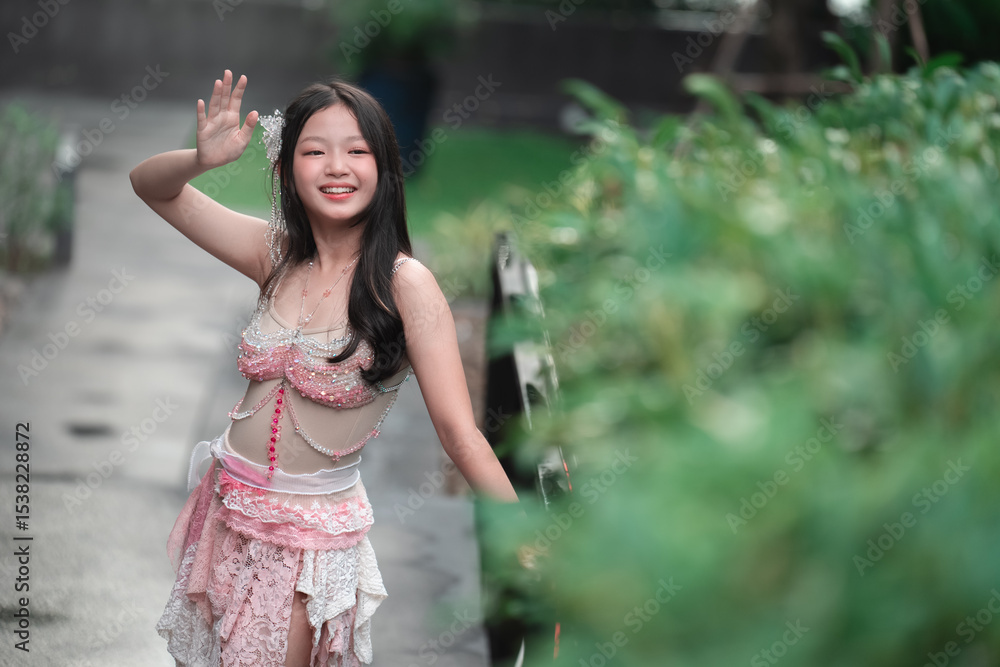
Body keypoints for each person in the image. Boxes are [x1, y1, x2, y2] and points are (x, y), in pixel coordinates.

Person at [129, 69, 525, 667]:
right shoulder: (276, 253)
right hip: (227, 512)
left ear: (384, 167)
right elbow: (149, 186)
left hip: (308, 542)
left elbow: (460, 434)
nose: (337, 167)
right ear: (288, 168)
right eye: (315, 151)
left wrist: (527, 536)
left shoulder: (405, 285)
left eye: (356, 151)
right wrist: (200, 160)